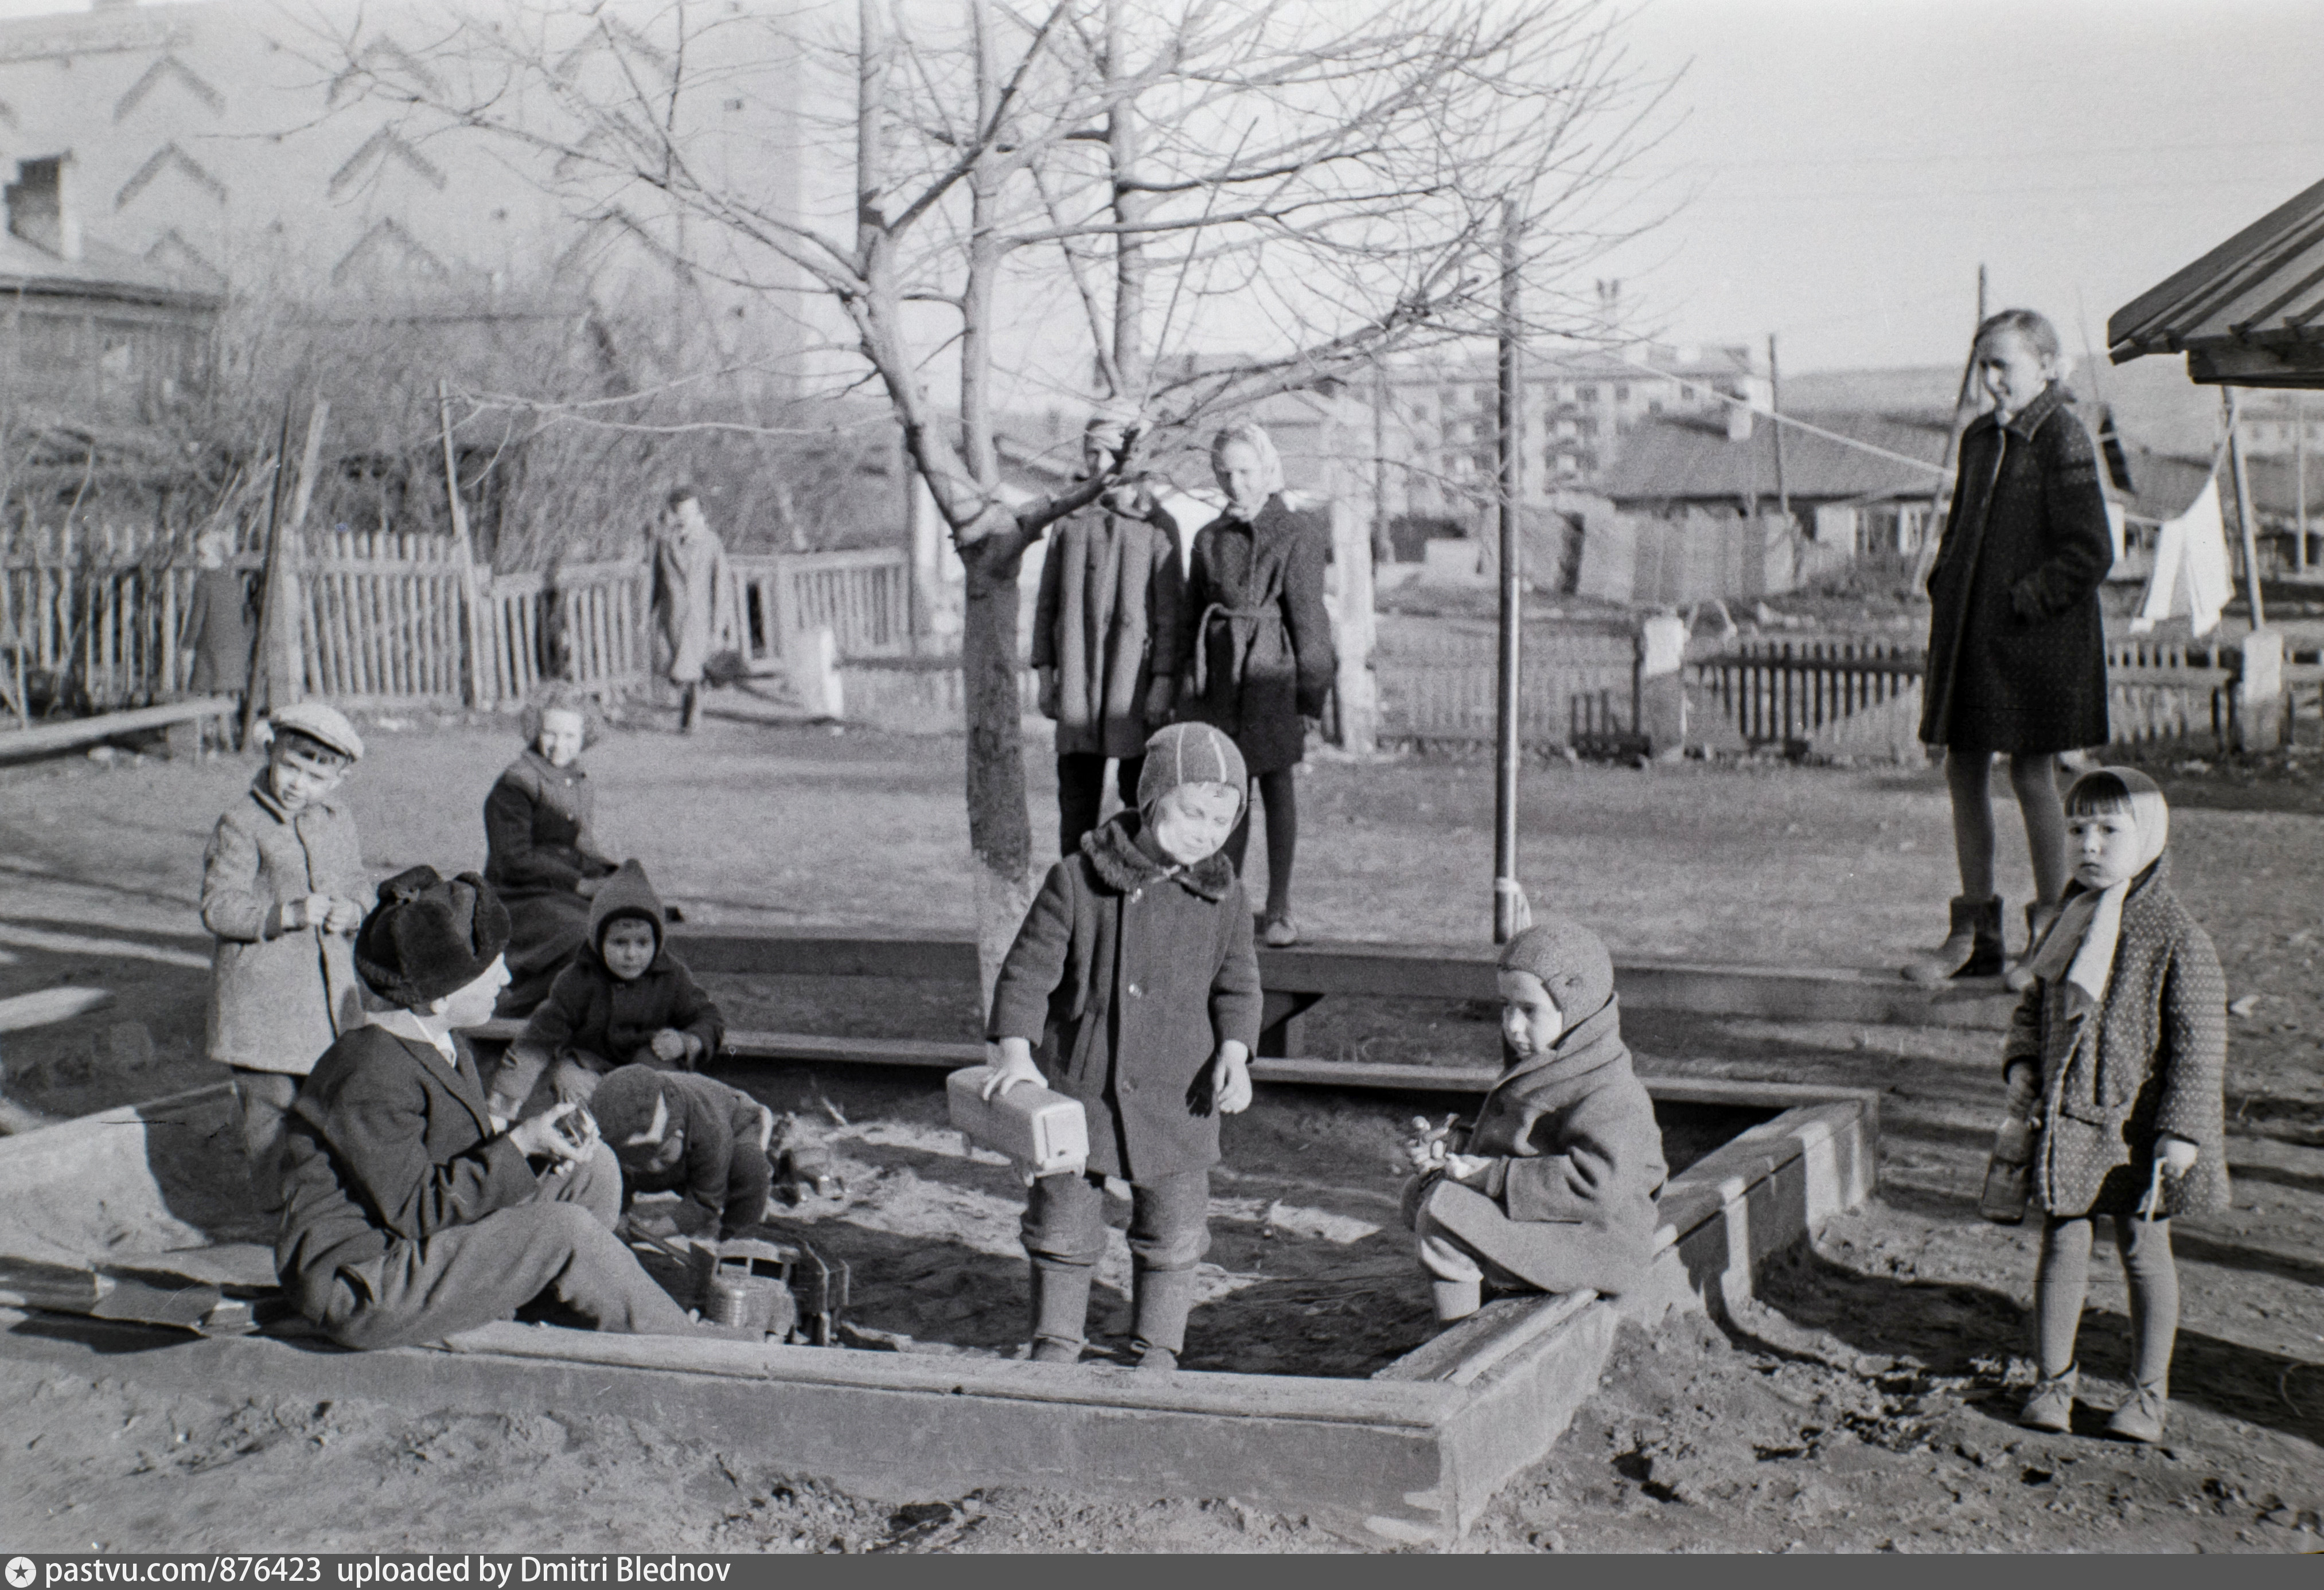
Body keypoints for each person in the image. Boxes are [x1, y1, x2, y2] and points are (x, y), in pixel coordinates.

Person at [275, 866, 701, 1349]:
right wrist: (520, 1144)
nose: (508, 975)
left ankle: (549, 1296)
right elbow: (417, 1209)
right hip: (365, 1280)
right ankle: (689, 1348)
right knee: (564, 1229)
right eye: (491, 966)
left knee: (593, 1169)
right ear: (438, 998)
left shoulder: (439, 1040)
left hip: (414, 1244)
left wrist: (535, 1139)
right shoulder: (369, 1071)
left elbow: (449, 1157)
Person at [984, 721, 1264, 1370]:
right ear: (1150, 800)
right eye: (1191, 813)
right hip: (1081, 1088)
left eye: (1222, 821)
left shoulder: (1224, 897)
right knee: (1061, 1218)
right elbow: (1027, 972)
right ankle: (1055, 1338)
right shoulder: (1079, 881)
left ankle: (1158, 1345)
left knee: (1174, 1229)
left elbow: (1237, 983)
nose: (1205, 832)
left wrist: (1234, 1053)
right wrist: (1018, 1053)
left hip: (1178, 1092)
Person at [2001, 768, 2225, 1445]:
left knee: (2142, 1248)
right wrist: (2019, 1062)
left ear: (2149, 838)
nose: (2087, 845)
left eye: (2107, 830)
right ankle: (2052, 1381)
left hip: (2136, 1128)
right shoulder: (2066, 922)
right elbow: (2033, 1005)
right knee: (2062, 1244)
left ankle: (2146, 1395)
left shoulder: (2176, 939)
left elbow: (2198, 1044)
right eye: (2075, 829)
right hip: (2069, 1120)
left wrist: (2180, 1130)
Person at [1909, 308, 2113, 989]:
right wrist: (1947, 585)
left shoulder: (2062, 435)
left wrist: (2020, 601)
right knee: (1962, 770)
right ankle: (1975, 937)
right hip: (1970, 641)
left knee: (2031, 776)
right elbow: (1958, 536)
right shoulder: (1976, 441)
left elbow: (2089, 550)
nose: (1991, 379)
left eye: (2004, 365)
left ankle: (2051, 937)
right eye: (1984, 366)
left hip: (2034, 645)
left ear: (2049, 366)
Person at [1399, 919, 1668, 1329]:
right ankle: (1490, 1286)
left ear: (1576, 1008)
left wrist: (1491, 1175)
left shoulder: (1612, 1091)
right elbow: (1532, 1142)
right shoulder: (1558, 1060)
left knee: (1442, 1214)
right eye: (1506, 1006)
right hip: (1558, 1221)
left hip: (1598, 1242)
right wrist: (1458, 1147)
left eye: (1529, 1010)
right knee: (1421, 1194)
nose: (1512, 1025)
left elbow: (1596, 1185)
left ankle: (1455, 1339)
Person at [201, 701, 375, 1218]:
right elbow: (219, 906)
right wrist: (287, 913)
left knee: (328, 1107)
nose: (299, 784)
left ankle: (324, 1214)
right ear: (270, 751)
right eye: (291, 767)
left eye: (316, 776)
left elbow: (358, 880)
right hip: (264, 1005)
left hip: (327, 1005)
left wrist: (356, 909)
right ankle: (274, 1219)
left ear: (338, 780)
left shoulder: (337, 820)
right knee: (270, 1114)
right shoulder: (242, 823)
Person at [1174, 422, 1336, 947]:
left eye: (1246, 471)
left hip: (1273, 675)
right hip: (1219, 681)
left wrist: (1311, 694)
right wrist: (1184, 686)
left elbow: (1310, 622)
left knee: (1276, 783)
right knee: (1226, 791)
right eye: (1225, 472)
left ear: (1267, 469)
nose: (1236, 483)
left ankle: (1281, 908)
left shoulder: (1296, 532)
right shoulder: (1209, 538)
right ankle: (1225, 902)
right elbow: (1190, 615)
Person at [1033, 410, 1186, 855]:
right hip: (1078, 685)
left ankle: (1132, 896)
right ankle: (1074, 904)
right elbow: (1047, 605)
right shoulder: (1068, 519)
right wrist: (1046, 676)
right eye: (1090, 452)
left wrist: (1161, 683)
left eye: (1107, 452)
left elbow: (1170, 617)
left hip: (1132, 688)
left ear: (1131, 455)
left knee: (1138, 800)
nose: (1097, 462)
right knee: (1076, 805)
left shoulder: (1157, 525)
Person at [489, 860, 725, 1123]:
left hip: (648, 1065)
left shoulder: (670, 977)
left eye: (643, 943)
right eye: (619, 942)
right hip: (590, 1063)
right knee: (568, 1078)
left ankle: (642, 1141)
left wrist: (686, 1042)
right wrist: (511, 1091)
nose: (631, 954)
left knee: (661, 1087)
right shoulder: (578, 979)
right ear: (598, 940)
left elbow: (709, 1018)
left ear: (657, 942)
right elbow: (541, 1034)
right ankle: (585, 1137)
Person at [483, 688, 620, 1017]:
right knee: (581, 932)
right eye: (551, 734)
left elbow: (583, 844)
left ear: (585, 735)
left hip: (559, 888)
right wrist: (578, 884)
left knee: (633, 916)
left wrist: (611, 874)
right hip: (519, 894)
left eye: (570, 735)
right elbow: (513, 860)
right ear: (535, 731)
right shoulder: (516, 783)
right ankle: (523, 1012)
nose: (560, 745)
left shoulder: (577, 779)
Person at [590, 1064, 778, 1241]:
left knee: (749, 1167)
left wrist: (652, 1233)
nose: (654, 1168)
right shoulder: (617, 1129)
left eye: (662, 1156)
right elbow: (614, 1177)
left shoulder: (711, 1127)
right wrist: (618, 1214)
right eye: (640, 1163)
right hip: (682, 1155)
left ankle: (737, 1240)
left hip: (735, 1128)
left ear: (678, 1133)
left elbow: (706, 1201)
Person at [651, 487, 734, 735]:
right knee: (677, 670)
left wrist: (720, 623)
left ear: (698, 512)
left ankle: (691, 716)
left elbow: (721, 585)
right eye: (679, 511)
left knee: (693, 668)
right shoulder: (665, 544)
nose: (684, 516)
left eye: (689, 510)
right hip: (673, 616)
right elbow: (656, 582)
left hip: (701, 616)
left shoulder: (710, 542)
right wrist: (649, 615)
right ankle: (689, 709)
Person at [178, 529, 252, 751]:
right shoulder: (233, 583)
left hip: (211, 648)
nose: (199, 559)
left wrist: (187, 646)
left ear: (216, 556)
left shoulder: (205, 583)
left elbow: (197, 617)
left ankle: (207, 740)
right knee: (225, 694)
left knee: (203, 694)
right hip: (232, 649)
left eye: (202, 555)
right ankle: (227, 738)